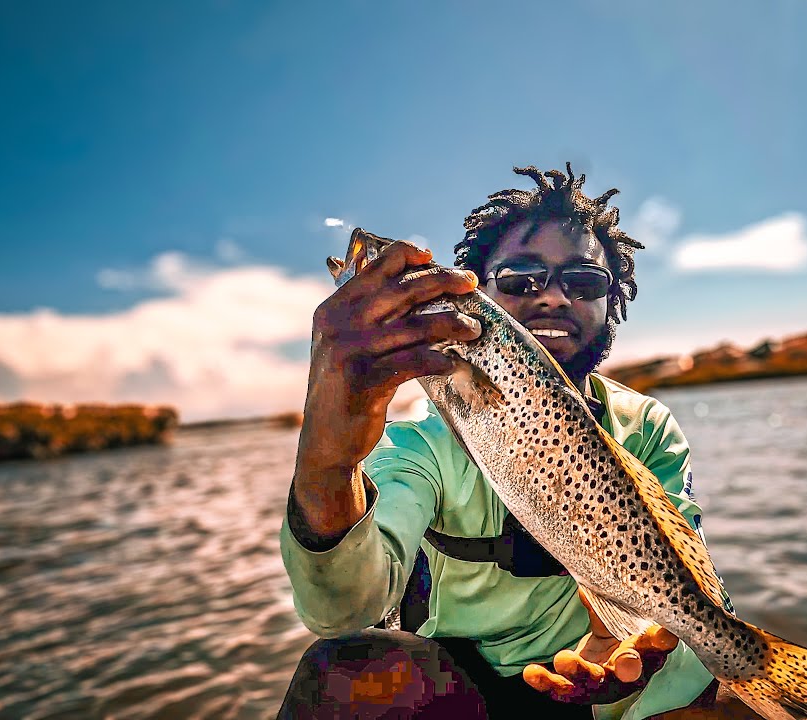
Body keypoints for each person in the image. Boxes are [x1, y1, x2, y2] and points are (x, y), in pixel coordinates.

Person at [278, 164, 756, 719]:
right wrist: (328, 462)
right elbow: (339, 613)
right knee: (341, 676)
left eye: (584, 282)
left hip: (631, 684)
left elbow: (693, 574)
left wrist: (645, 650)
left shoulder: (646, 424)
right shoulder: (418, 441)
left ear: (612, 301)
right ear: (474, 290)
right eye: (520, 278)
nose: (552, 297)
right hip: (469, 686)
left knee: (732, 704)